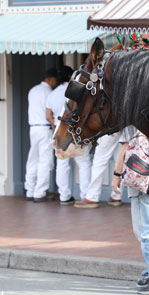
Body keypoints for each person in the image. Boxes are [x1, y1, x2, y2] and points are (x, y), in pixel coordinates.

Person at [113, 126, 149, 295]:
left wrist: (116, 176)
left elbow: (125, 150)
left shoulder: (132, 125)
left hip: (143, 186)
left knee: (147, 233)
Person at [46, 66, 92, 205]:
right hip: (76, 131)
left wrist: (57, 127)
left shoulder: (52, 94)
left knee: (62, 164)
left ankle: (64, 196)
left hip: (60, 132)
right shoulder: (75, 91)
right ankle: (85, 194)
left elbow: (48, 116)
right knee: (83, 163)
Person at [24, 68, 58, 202]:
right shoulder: (49, 92)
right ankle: (40, 192)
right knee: (45, 160)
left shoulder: (33, 90)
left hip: (33, 128)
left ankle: (29, 190)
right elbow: (49, 113)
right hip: (45, 128)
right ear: (49, 79)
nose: (56, 83)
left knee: (33, 159)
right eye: (54, 80)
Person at [74, 132, 123, 208]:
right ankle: (116, 196)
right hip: (124, 128)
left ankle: (92, 197)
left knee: (99, 162)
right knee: (119, 160)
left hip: (110, 129)